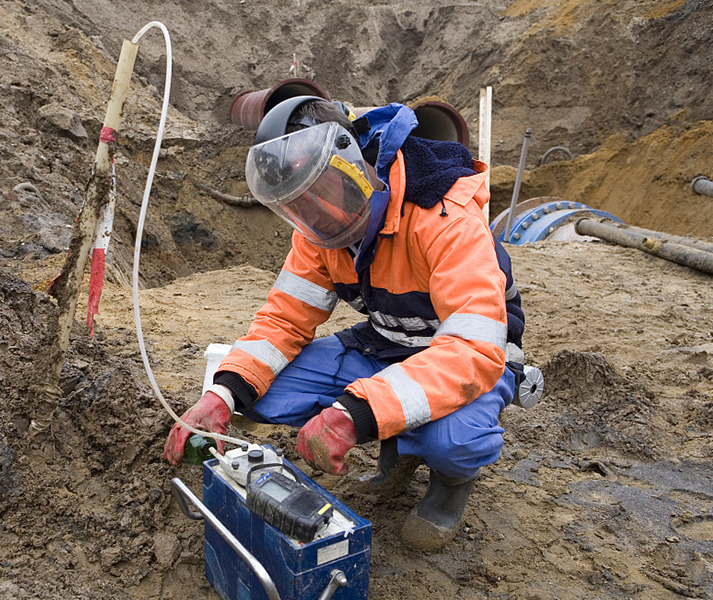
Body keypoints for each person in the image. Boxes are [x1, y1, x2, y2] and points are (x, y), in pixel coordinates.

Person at [164, 96, 526, 552]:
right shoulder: (317, 231)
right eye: (297, 206)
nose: (312, 216)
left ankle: (449, 485)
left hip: (470, 359)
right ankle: (398, 444)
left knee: (452, 442)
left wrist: (356, 414)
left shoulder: (445, 217)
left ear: (353, 164)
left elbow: (474, 350)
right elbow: (283, 320)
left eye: (319, 193)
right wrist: (221, 394)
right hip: (387, 342)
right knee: (259, 397)